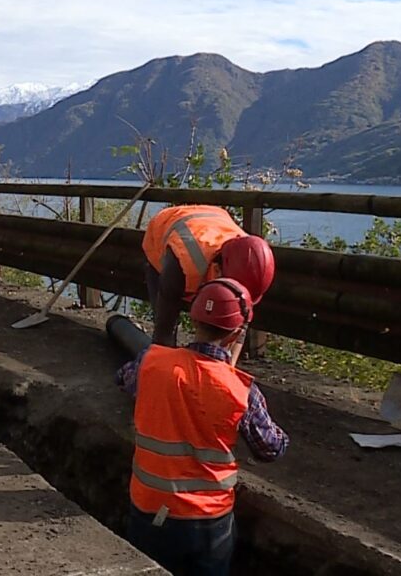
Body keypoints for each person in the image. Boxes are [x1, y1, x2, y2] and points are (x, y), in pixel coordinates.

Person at [123, 278, 288, 576]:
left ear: (194, 317)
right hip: (206, 523)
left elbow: (126, 380)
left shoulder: (151, 362)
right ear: (237, 333)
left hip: (148, 509)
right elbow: (271, 448)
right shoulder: (240, 391)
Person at [142, 205, 275, 347]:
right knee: (165, 328)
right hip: (166, 226)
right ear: (217, 270)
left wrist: (225, 366)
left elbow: (240, 323)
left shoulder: (252, 263)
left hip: (214, 219)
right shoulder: (182, 263)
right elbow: (164, 329)